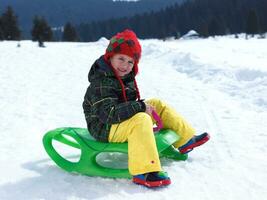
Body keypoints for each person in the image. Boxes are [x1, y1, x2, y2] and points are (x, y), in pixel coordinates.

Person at [82, 29, 210, 188]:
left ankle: (186, 139)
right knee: (141, 118)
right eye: (121, 59)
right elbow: (108, 114)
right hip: (104, 127)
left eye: (130, 62)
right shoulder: (102, 82)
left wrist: (143, 107)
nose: (125, 65)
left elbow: (126, 106)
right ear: (110, 57)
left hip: (119, 122)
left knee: (156, 104)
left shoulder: (123, 77)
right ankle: (145, 171)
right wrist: (140, 107)